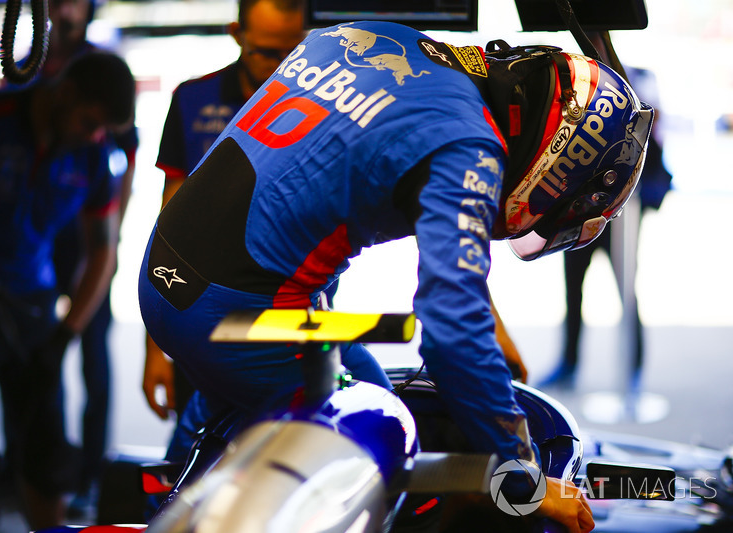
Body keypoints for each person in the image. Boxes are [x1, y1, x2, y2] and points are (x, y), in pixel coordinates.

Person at [139, 22, 654, 532]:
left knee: (291, 382)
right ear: (560, 161)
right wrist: (525, 483)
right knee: (387, 428)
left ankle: (173, 492)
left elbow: (315, 188)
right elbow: (453, 342)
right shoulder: (469, 147)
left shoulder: (384, 43)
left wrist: (476, 337)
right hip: (231, 316)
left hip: (165, 277)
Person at [0, 51, 136, 533]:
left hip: (33, 309)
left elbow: (103, 251)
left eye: (103, 128)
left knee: (47, 457)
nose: (95, 135)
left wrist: (67, 333)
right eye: (90, 121)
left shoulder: (92, 152)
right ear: (65, 94)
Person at [142, 0, 305, 423]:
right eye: (267, 52)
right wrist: (155, 348)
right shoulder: (193, 99)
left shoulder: (327, 106)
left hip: (291, 314)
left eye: (294, 52)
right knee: (196, 455)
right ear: (237, 34)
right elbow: (167, 226)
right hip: (199, 313)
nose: (280, 67)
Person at [8, 0, 139, 514]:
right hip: (41, 238)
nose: (66, 9)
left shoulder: (100, 70)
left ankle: (91, 475)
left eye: (76, 1)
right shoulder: (27, 63)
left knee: (92, 354)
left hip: (91, 228)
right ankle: (47, 472)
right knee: (42, 356)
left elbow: (125, 156)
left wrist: (114, 231)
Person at [542, 59, 672, 390]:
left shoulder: (638, 81)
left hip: (623, 214)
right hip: (580, 209)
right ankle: (569, 363)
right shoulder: (577, 82)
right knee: (573, 289)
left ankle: (633, 367)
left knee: (627, 288)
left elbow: (653, 145)